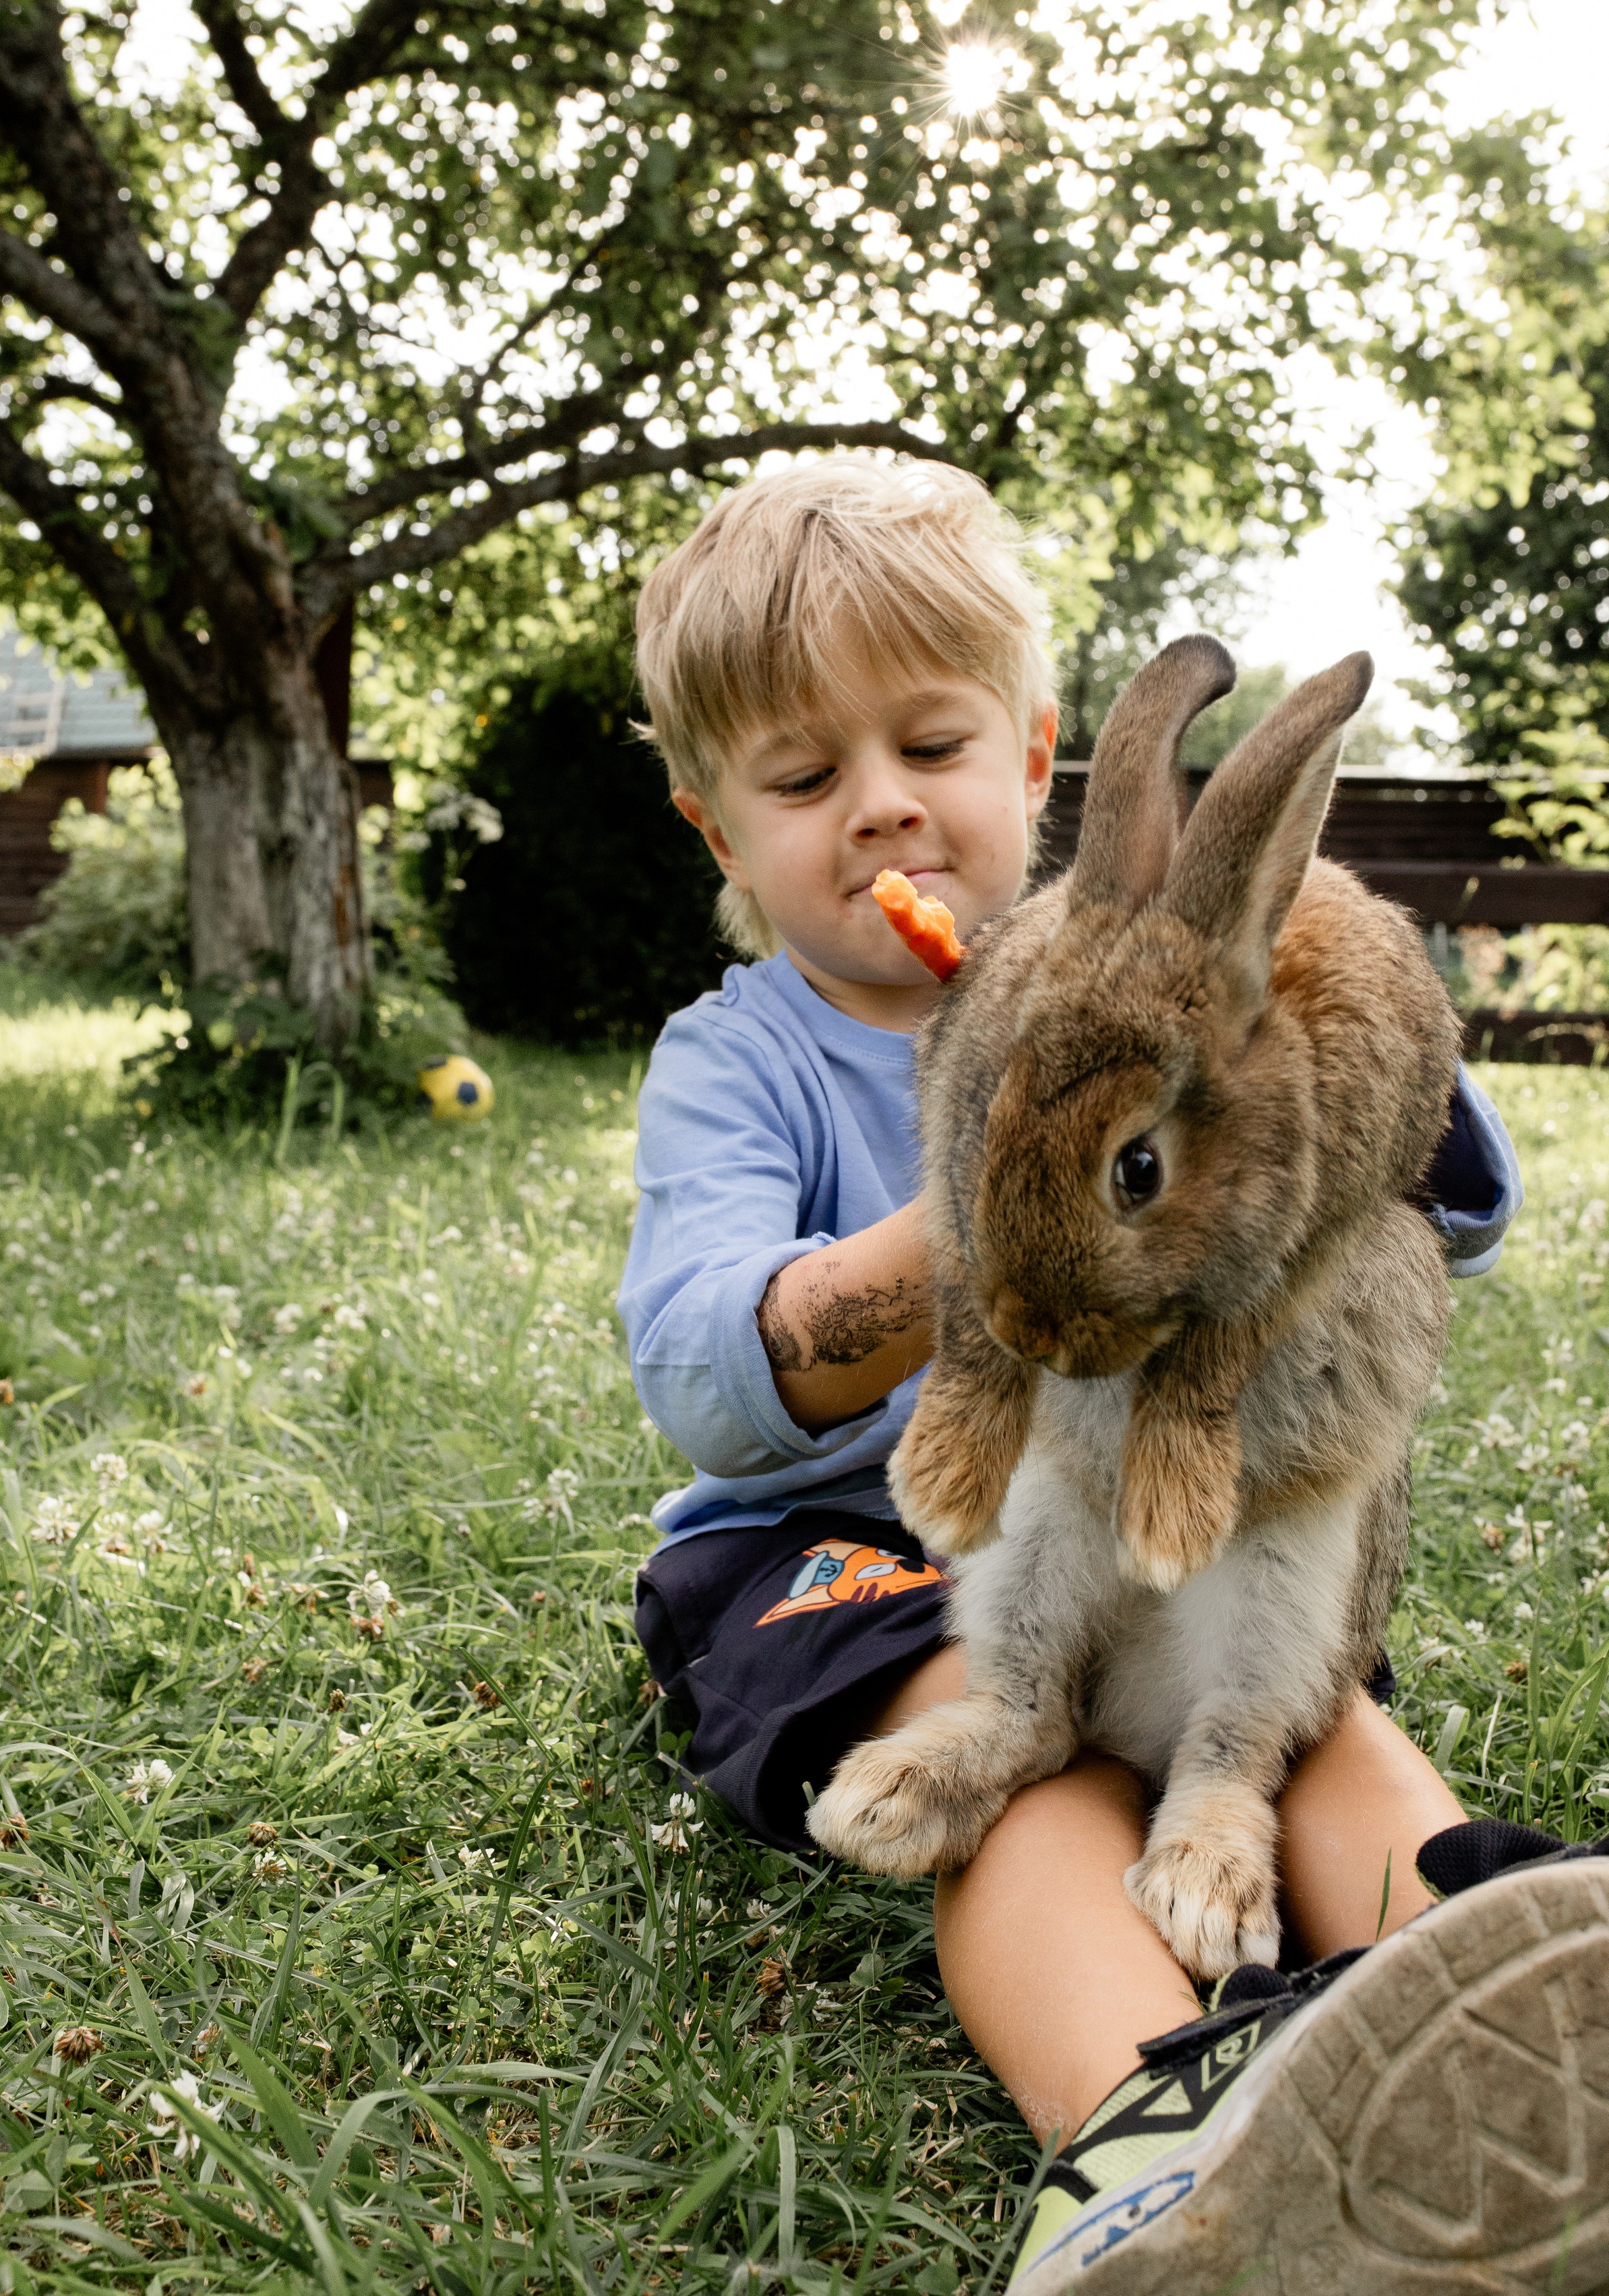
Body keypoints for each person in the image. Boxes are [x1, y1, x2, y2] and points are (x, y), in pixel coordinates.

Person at [617, 459, 1600, 2291]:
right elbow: (702, 1361)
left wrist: (1297, 1017)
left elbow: (1450, 1208)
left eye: (932, 745)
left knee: (1311, 1731)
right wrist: (987, 1215)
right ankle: (1163, 2142)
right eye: (808, 778)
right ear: (718, 831)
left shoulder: (1157, 968)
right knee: (1020, 1764)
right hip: (843, 1551)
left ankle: (1509, 2022)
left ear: (1046, 755)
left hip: (1169, 1522)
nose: (885, 811)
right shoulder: (735, 1056)